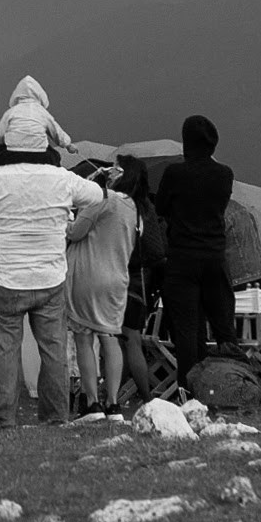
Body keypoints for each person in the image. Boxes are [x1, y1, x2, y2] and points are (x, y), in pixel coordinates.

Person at [0, 143, 105, 429]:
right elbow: (96, 196)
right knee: (54, 349)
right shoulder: (59, 176)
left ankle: (3, 416)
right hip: (50, 276)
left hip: (6, 277)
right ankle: (55, 415)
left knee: (5, 348)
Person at [153, 116, 234, 394]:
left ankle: (189, 391)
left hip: (183, 257)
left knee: (187, 328)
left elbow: (161, 207)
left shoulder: (176, 173)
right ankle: (229, 384)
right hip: (214, 256)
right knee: (222, 323)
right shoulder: (225, 174)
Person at [65, 160, 138, 416]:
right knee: (110, 338)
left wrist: (65, 216)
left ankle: (92, 402)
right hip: (117, 279)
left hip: (88, 276)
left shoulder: (97, 202)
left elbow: (74, 233)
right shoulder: (131, 206)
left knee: (84, 339)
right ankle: (114, 402)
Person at [115, 157, 165, 409]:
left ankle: (144, 398)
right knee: (125, 341)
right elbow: (157, 252)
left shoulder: (115, 204)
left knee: (126, 341)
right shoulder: (145, 207)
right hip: (137, 284)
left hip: (122, 280)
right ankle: (114, 397)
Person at [0, 74, 73, 157]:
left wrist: (1, 143)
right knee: (54, 156)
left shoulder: (11, 112)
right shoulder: (41, 112)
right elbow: (56, 131)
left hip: (13, 152)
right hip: (39, 151)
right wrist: (68, 145)